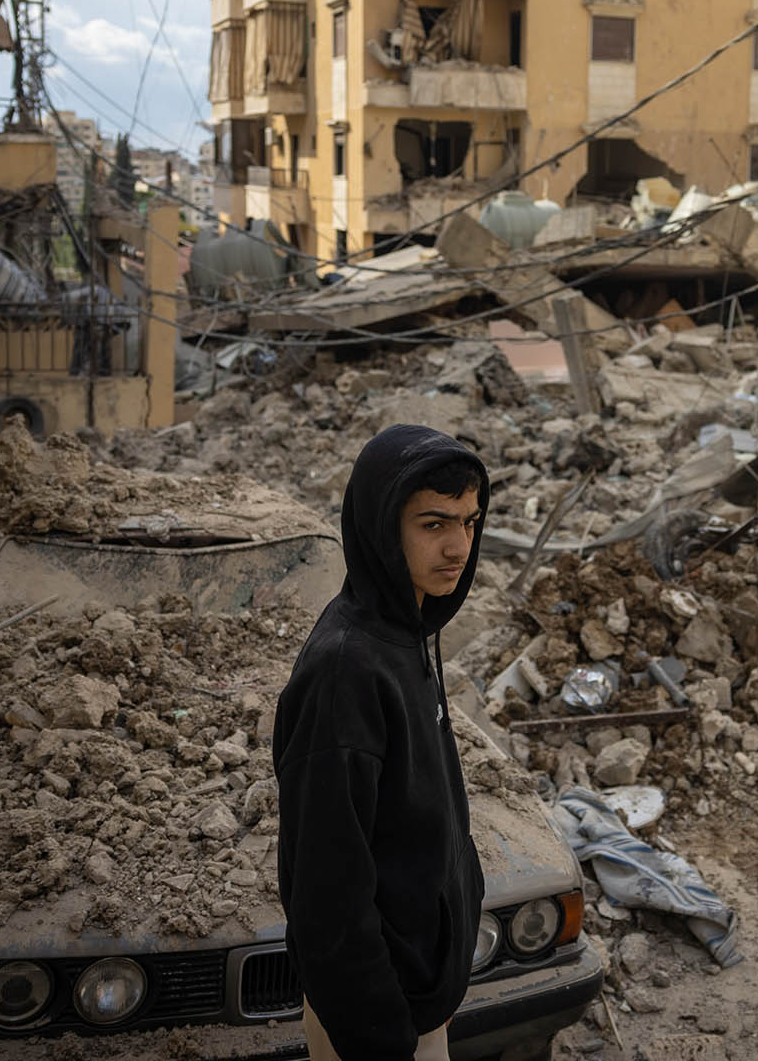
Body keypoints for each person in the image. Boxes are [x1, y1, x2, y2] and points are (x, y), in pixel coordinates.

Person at [272, 424, 489, 1060]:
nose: (459, 547)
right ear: (380, 527)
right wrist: (380, 1037)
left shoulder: (409, 626)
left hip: (419, 988)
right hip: (379, 1018)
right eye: (433, 525)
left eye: (470, 523)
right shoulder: (346, 671)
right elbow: (325, 891)